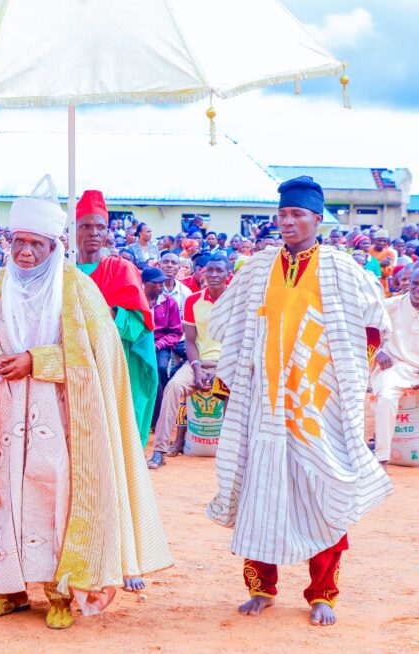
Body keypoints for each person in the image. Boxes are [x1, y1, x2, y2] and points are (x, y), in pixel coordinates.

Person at [0, 186, 172, 630]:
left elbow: (98, 355)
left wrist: (39, 360)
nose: (26, 252)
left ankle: (59, 593)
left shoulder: (79, 292)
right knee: (3, 495)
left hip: (62, 414)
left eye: (37, 244)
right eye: (19, 242)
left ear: (54, 247)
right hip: (6, 413)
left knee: (54, 493)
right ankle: (10, 589)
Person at [206, 176, 392, 627]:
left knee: (324, 491)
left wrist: (346, 380)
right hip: (263, 402)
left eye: (298, 215)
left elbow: (372, 327)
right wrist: (234, 375)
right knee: (258, 490)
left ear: (316, 218)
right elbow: (226, 320)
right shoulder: (256, 268)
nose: (288, 222)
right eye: (283, 214)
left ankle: (323, 593)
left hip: (318, 404)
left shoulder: (343, 268)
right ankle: (260, 587)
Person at [75, 190, 157, 446]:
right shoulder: (61, 271)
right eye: (86, 226)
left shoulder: (121, 269)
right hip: (72, 367)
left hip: (113, 367)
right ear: (73, 229)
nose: (94, 233)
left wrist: (105, 312)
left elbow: (139, 327)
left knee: (112, 445)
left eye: (100, 227)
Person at [148, 255, 229, 468]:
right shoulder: (193, 300)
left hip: (228, 362)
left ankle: (233, 455)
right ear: (202, 273)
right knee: (173, 387)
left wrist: (220, 371)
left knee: (236, 392)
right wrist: (197, 367)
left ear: (228, 275)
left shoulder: (236, 300)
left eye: (219, 271)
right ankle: (159, 451)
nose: (213, 275)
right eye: (209, 270)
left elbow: (240, 340)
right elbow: (191, 341)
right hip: (199, 363)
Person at [370, 266, 419, 465]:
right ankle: (382, 458)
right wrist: (377, 351)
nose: (417, 289)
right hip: (395, 367)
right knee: (387, 398)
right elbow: (363, 326)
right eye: (415, 284)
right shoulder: (392, 305)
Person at [142, 266, 183, 434]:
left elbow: (176, 332)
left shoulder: (169, 302)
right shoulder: (136, 301)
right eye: (156, 283)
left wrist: (159, 344)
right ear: (144, 284)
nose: (161, 286)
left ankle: (159, 418)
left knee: (159, 370)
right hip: (140, 344)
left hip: (161, 345)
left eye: (162, 283)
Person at [369, 229, 397, 295]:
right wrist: (380, 264)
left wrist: (375, 267)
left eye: (384, 241)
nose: (382, 243)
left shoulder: (389, 253)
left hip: (382, 285)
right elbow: (366, 270)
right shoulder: (368, 251)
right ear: (374, 240)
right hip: (368, 283)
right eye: (379, 240)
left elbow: (387, 273)